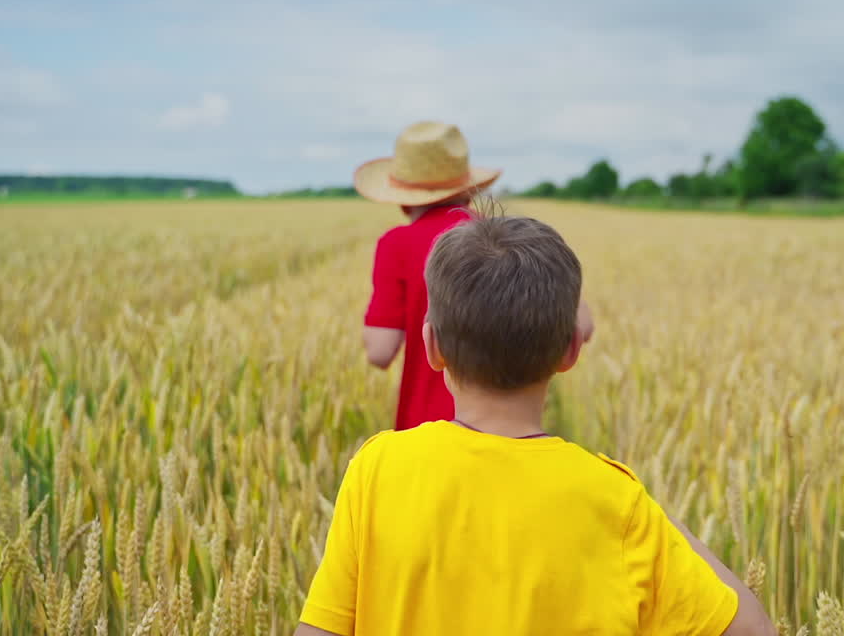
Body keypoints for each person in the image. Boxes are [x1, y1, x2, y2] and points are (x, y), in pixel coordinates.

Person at [294, 214, 775, 636]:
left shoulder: (377, 468)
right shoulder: (616, 500)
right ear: (571, 350)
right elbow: (753, 630)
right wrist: (647, 511)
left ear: (431, 345)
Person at [354, 121, 592, 430]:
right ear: (466, 186)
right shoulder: (500, 243)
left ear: (400, 196)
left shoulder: (396, 245)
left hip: (427, 432)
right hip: (514, 432)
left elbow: (380, 351)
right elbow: (582, 325)